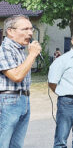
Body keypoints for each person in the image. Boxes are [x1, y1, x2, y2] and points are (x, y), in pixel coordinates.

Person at [0, 14, 42, 148]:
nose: (30, 33)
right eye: (25, 29)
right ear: (10, 31)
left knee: (16, 144)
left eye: (31, 29)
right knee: (3, 143)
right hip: (8, 100)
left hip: (23, 99)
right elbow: (16, 76)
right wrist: (32, 55)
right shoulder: (4, 49)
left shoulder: (20, 50)